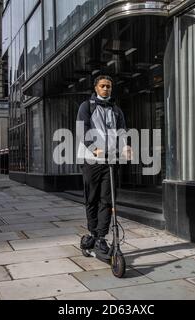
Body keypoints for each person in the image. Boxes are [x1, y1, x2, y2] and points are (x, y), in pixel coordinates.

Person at [76, 75, 132, 254]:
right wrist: (93, 148)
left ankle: (101, 237)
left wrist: (126, 147)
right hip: (91, 161)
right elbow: (81, 130)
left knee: (107, 200)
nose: (106, 89)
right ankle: (92, 233)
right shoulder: (87, 106)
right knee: (92, 199)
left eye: (109, 86)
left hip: (111, 161)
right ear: (96, 88)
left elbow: (122, 132)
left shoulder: (116, 110)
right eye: (103, 86)